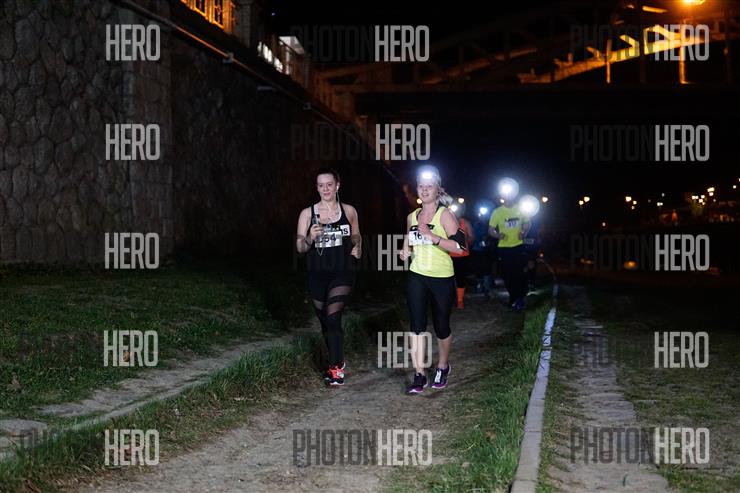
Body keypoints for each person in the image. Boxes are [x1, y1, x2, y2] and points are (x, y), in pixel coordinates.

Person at [399, 166, 467, 394]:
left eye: (429, 186)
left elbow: (460, 247)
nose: (425, 189)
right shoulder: (412, 216)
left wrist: (433, 237)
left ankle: (443, 366)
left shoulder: (445, 215)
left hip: (441, 277)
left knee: (441, 326)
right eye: (421, 186)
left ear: (438, 189)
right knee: (416, 326)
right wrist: (405, 250)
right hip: (417, 275)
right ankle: (419, 374)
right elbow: (409, 240)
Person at [296, 168, 361, 386]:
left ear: (337, 186)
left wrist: (357, 246)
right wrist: (309, 237)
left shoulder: (349, 211)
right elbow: (300, 248)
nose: (325, 189)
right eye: (321, 185)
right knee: (325, 322)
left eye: (329, 185)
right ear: (317, 188)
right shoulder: (307, 214)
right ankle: (337, 360)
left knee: (333, 317)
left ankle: (335, 368)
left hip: (343, 271)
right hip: (317, 274)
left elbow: (356, 234)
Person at [489, 182, 530, 312]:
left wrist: (524, 232)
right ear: (503, 197)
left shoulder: (520, 209)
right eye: (506, 196)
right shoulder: (497, 212)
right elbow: (491, 229)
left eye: (510, 195)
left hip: (518, 246)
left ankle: (520, 298)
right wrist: (498, 235)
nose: (508, 198)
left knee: (520, 273)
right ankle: (513, 297)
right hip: (504, 248)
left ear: (514, 196)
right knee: (507, 275)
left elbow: (527, 223)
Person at [449, 205, 474, 309]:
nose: (456, 213)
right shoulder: (446, 222)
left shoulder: (466, 223)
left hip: (462, 255)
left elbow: (472, 237)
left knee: (460, 278)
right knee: (448, 278)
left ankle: (460, 300)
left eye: (458, 211)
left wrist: (466, 239)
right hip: (448, 255)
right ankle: (449, 298)